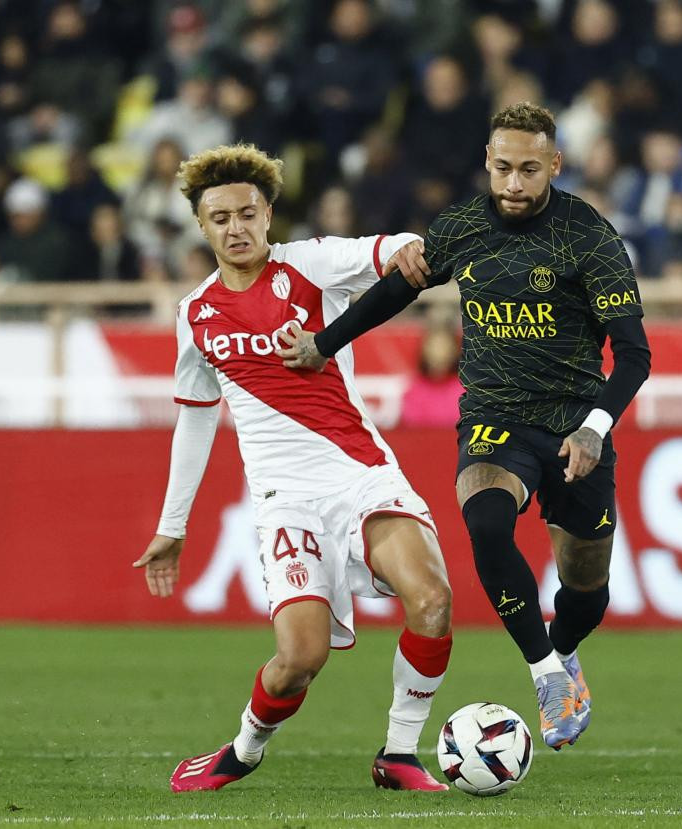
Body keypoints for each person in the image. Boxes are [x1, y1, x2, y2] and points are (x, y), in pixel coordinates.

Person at [278, 103, 651, 751]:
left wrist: (594, 428)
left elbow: (634, 352)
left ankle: (562, 650)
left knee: (587, 591)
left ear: (555, 166)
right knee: (483, 518)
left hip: (574, 426)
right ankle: (543, 673)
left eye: (529, 170)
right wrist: (323, 342)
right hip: (494, 418)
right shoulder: (462, 227)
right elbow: (399, 289)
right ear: (487, 160)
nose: (513, 182)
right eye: (503, 167)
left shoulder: (588, 236)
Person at [132, 143, 453, 793]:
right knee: (299, 659)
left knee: (434, 599)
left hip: (363, 475)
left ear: (269, 213)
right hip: (287, 499)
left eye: (248, 213)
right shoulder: (194, 314)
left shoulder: (310, 265)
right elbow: (196, 417)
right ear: (201, 226)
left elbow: (395, 246)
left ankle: (399, 751)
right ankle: (243, 750)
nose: (236, 228)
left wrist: (408, 249)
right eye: (219, 217)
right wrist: (173, 523)